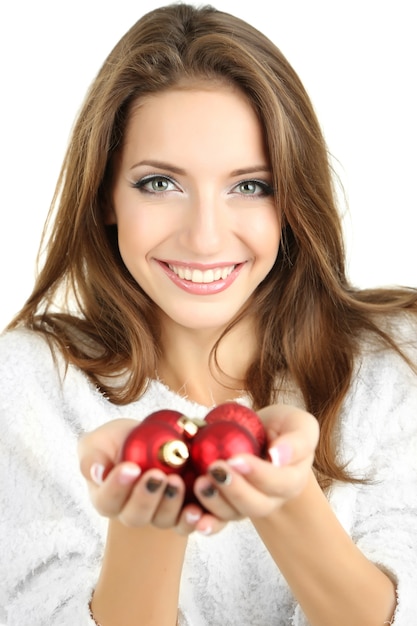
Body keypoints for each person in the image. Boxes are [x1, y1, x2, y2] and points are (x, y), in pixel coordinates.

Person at [0, 3, 416, 625]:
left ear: (291, 200)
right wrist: (145, 522)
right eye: (159, 184)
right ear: (107, 194)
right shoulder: (28, 386)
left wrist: (286, 493)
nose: (204, 237)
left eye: (250, 186)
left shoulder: (394, 365)